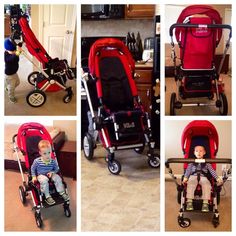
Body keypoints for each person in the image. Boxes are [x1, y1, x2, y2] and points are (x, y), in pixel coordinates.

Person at [182, 145, 223, 212]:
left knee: (207, 185)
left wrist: (217, 178)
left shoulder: (207, 163)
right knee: (190, 184)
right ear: (194, 152)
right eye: (196, 151)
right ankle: (189, 202)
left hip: (203, 177)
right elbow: (188, 171)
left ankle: (205, 203)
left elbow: (212, 171)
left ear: (204, 152)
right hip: (193, 176)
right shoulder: (191, 162)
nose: (198, 152)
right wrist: (185, 178)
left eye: (201, 151)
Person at [31, 140, 70, 205]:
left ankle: (61, 192)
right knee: (44, 180)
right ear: (40, 153)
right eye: (45, 153)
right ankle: (47, 196)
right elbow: (32, 169)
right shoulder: (37, 161)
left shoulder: (53, 161)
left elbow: (56, 169)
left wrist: (52, 172)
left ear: (51, 151)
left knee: (57, 178)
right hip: (41, 175)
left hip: (50, 174)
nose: (47, 155)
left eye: (49, 152)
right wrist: (33, 176)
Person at [4, 38, 22, 103]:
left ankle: (6, 86)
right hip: (10, 75)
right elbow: (13, 58)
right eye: (12, 51)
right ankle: (11, 97)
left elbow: (16, 49)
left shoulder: (12, 52)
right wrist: (18, 52)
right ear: (6, 50)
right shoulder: (6, 57)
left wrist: (20, 44)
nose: (14, 52)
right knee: (11, 88)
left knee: (18, 83)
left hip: (14, 73)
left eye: (14, 50)